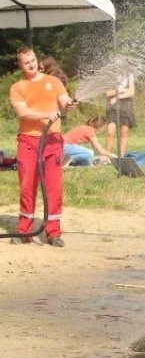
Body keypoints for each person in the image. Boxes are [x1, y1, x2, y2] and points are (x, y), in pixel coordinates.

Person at [9, 47, 77, 246]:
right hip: (28, 142)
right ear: (20, 65)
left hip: (52, 140)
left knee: (54, 187)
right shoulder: (18, 87)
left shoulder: (53, 82)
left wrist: (69, 104)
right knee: (27, 185)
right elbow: (23, 112)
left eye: (32, 60)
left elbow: (63, 100)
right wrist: (45, 115)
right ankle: (25, 232)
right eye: (26, 62)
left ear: (37, 60)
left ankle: (53, 233)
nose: (30, 64)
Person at [105, 72, 136, 158]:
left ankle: (121, 157)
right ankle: (108, 156)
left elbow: (131, 93)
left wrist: (116, 96)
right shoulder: (110, 75)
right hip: (112, 105)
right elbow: (108, 93)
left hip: (126, 105)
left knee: (124, 132)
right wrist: (122, 91)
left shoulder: (129, 75)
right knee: (110, 131)